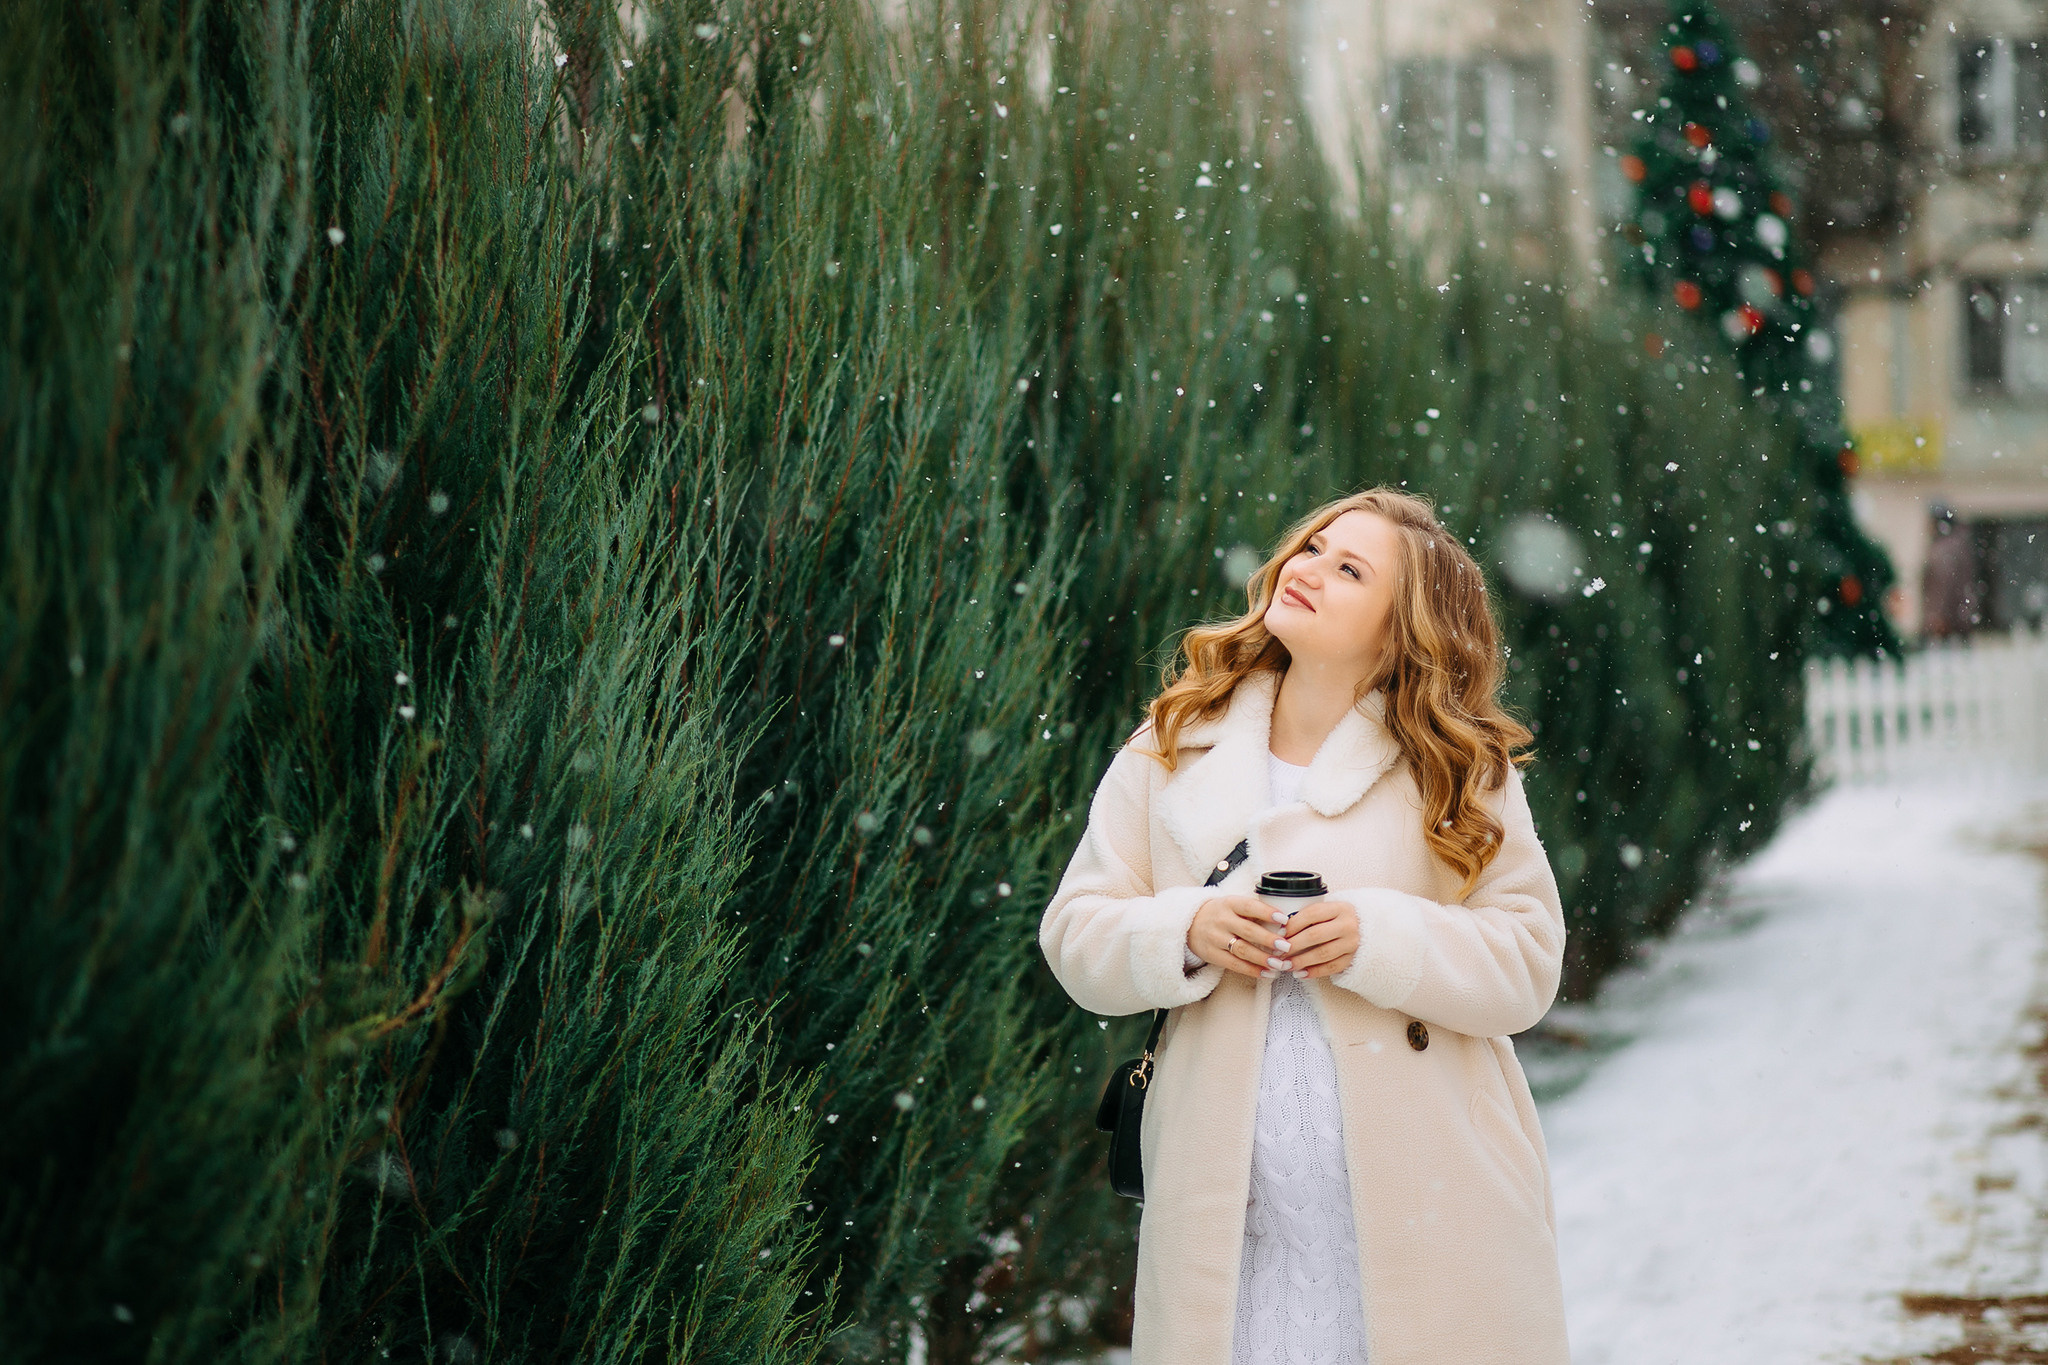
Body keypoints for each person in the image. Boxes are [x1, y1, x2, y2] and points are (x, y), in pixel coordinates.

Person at [1039, 488, 1570, 1365]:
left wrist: (1381, 939)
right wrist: (1186, 929)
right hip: (1228, 1226)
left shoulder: (1455, 765)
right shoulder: (1172, 742)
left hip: (1430, 1211)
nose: (1309, 568)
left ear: (1401, 628)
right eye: (1313, 546)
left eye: (1350, 568)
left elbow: (1528, 957)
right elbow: (1075, 932)